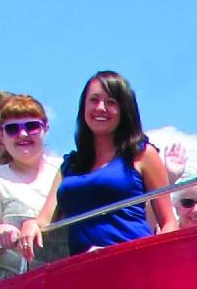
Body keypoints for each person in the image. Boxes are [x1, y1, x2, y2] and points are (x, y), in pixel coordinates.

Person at [24, 71, 175, 257]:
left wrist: (156, 258)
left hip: (134, 260)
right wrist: (30, 224)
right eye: (94, 100)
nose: (100, 108)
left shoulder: (143, 154)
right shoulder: (70, 166)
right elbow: (44, 220)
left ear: (124, 109)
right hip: (86, 266)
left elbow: (169, 222)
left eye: (111, 102)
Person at [0, 94, 61, 285]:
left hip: (61, 285)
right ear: (2, 135)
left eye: (31, 126)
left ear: (46, 128)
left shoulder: (66, 170)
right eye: (12, 129)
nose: (23, 134)